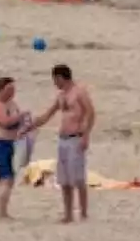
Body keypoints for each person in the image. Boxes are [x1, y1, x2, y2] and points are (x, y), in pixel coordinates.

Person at [29, 65, 97, 223]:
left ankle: (84, 212)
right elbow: (48, 114)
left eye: (55, 79)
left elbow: (90, 112)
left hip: (76, 137)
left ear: (61, 77)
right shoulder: (61, 96)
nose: (55, 83)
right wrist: (32, 125)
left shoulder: (79, 92)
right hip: (63, 139)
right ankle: (68, 214)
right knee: (65, 180)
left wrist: (86, 135)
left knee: (78, 178)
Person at [0, 77, 26, 219]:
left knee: (8, 178)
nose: (12, 92)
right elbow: (5, 121)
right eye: (9, 89)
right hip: (1, 144)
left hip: (13, 143)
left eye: (13, 89)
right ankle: (2, 212)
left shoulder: (13, 104)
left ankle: (4, 210)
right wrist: (20, 116)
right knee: (6, 178)